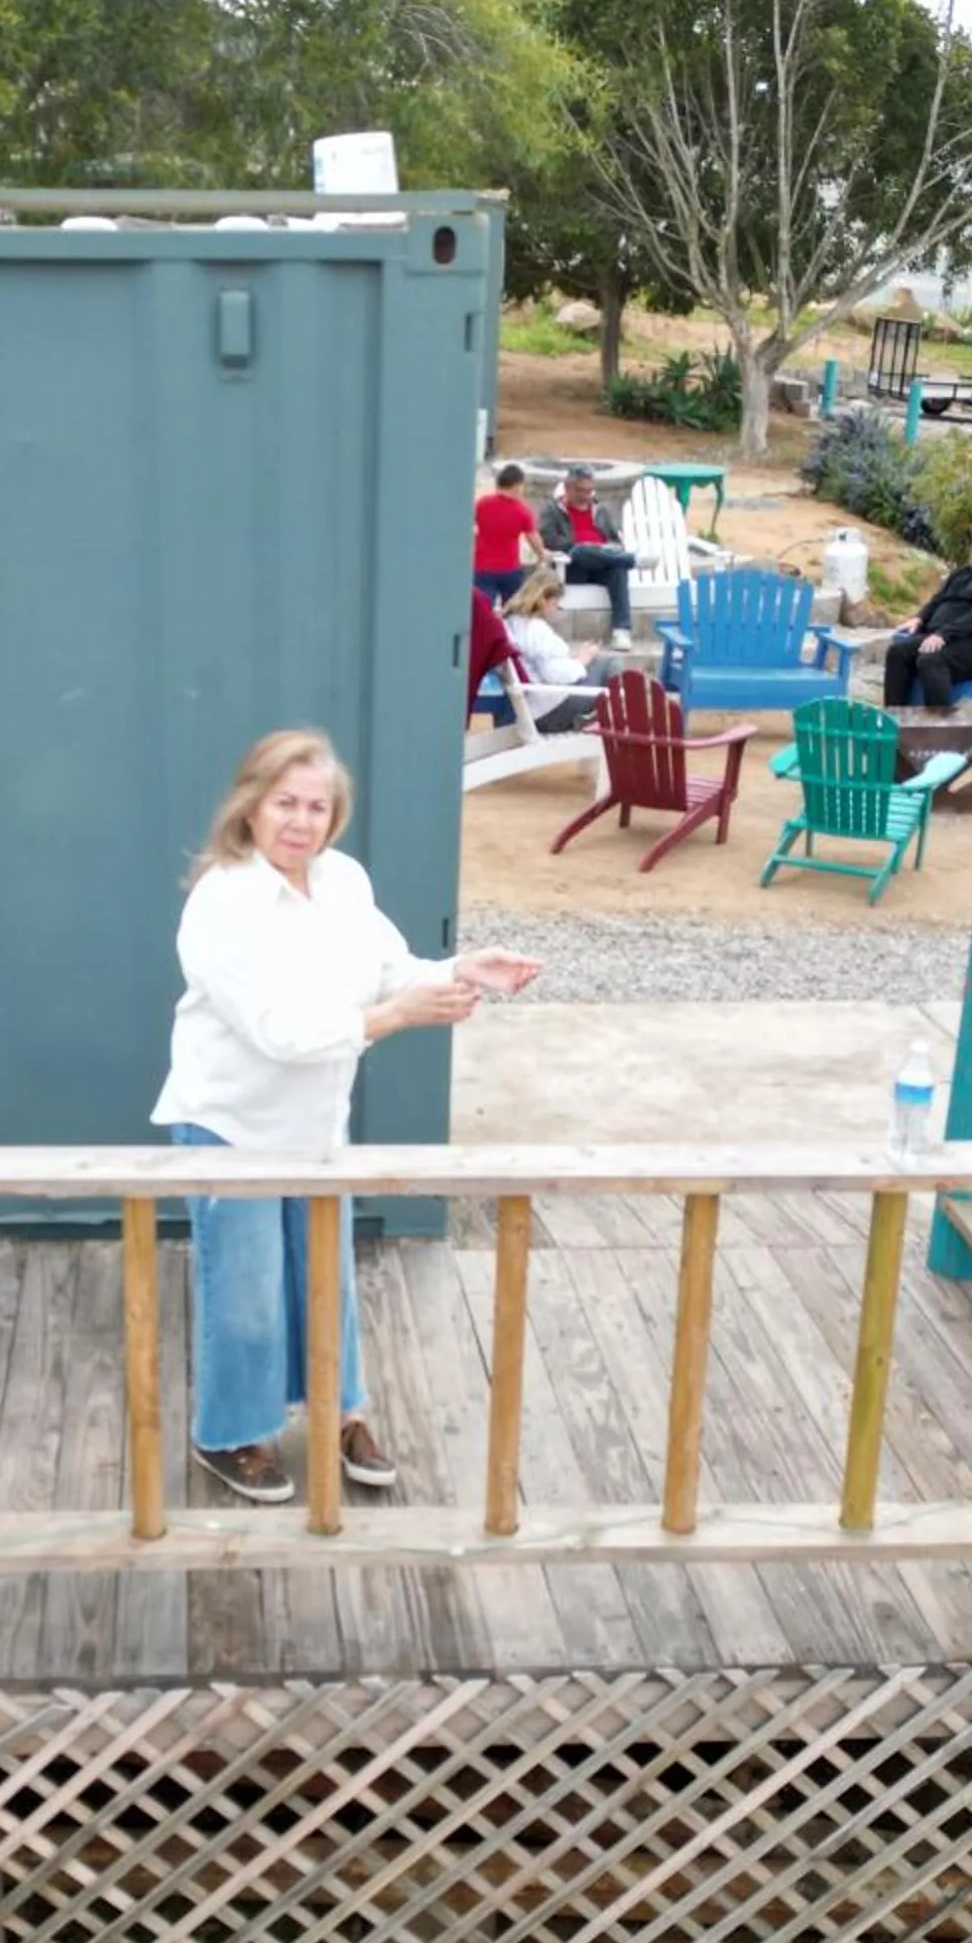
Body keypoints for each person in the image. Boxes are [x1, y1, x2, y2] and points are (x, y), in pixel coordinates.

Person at [151, 730, 542, 1503]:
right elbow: (279, 1031)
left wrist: (460, 970)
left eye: (318, 807)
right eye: (285, 803)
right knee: (248, 1294)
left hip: (315, 1125)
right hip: (232, 1124)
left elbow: (390, 968)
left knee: (327, 1282)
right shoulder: (221, 902)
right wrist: (396, 1016)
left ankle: (339, 1410)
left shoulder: (343, 881)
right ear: (251, 806)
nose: (301, 821)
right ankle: (228, 1435)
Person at [882, 514, 972, 711]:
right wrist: (919, 618)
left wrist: (944, 634)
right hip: (948, 637)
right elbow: (939, 599)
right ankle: (894, 717)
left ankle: (941, 726)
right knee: (898, 652)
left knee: (931, 660)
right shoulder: (965, 573)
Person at [500, 564, 616, 732]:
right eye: (555, 603)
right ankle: (610, 719)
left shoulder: (512, 622)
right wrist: (582, 660)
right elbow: (555, 675)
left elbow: (542, 665)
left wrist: (574, 659)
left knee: (599, 664)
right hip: (549, 711)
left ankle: (597, 717)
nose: (555, 610)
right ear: (542, 600)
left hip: (532, 705)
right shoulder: (535, 629)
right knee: (609, 665)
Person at [537, 466, 636, 646]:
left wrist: (603, 548)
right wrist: (581, 546)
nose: (585, 495)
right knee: (580, 550)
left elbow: (615, 541)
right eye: (580, 490)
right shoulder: (553, 510)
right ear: (567, 488)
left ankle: (621, 631)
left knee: (618, 568)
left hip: (600, 566)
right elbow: (548, 540)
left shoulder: (601, 510)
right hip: (571, 568)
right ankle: (632, 560)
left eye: (589, 490)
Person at [472, 464, 543, 604]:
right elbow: (533, 540)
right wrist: (542, 555)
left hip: (482, 567)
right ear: (517, 485)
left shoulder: (482, 504)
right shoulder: (523, 511)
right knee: (512, 611)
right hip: (509, 568)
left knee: (483, 610)